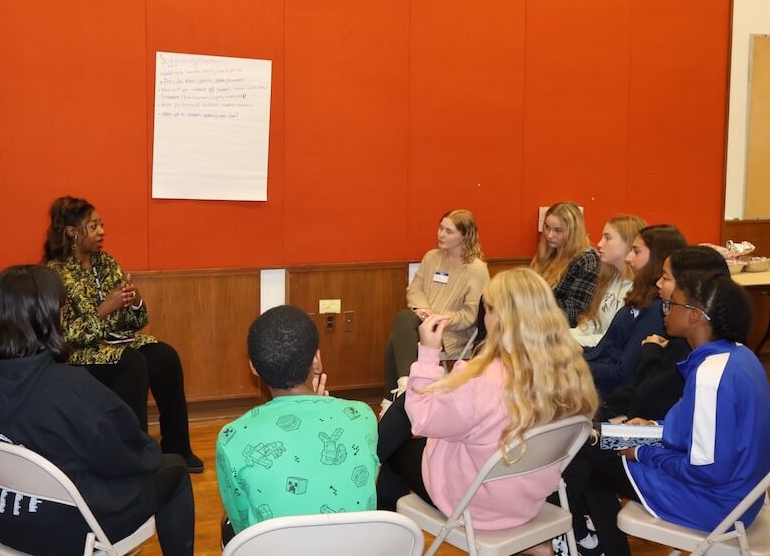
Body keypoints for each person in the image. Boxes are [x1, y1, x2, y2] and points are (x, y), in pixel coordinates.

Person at [0, 265, 194, 556]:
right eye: (60, 309)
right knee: (174, 468)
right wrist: (149, 451)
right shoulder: (67, 387)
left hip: (1, 517)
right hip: (69, 529)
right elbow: (127, 456)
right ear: (47, 318)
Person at [376, 268, 598, 538]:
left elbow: (421, 417)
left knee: (393, 443)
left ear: (499, 317)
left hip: (475, 504)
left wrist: (428, 354)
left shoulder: (484, 379)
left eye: (488, 310)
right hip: (527, 501)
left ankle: (381, 533)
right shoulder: (570, 370)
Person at [567, 273, 769, 556]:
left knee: (582, 450)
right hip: (743, 496)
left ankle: (577, 541)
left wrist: (642, 452)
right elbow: (710, 434)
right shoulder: (741, 356)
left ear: (695, 315)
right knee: (595, 446)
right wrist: (656, 428)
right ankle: (596, 546)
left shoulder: (711, 376)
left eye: (672, 304)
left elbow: (707, 470)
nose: (665, 310)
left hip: (714, 504)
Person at [42, 196, 202, 472]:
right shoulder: (54, 273)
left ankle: (178, 449)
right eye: (94, 226)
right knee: (133, 364)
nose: (102, 231)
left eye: (101, 225)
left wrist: (135, 301)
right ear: (72, 232)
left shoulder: (106, 263)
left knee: (164, 356)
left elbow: (136, 320)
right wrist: (104, 310)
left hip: (118, 343)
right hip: (79, 355)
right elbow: (64, 334)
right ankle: (135, 453)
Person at [216, 306, 379, 546]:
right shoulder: (363, 416)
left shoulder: (232, 437)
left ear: (253, 367)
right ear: (316, 360)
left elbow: (241, 525)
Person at [599, 245, 729, 421]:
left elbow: (644, 402)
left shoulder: (691, 349)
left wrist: (650, 352)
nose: (658, 283)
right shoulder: (682, 338)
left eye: (666, 278)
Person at [384, 210, 489, 399]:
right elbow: (414, 290)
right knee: (404, 318)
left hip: (450, 333)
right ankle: (404, 386)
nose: (441, 234)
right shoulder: (432, 257)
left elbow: (471, 315)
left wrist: (437, 319)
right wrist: (425, 312)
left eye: (449, 231)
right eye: (440, 228)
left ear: (464, 235)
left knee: (396, 339)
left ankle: (395, 396)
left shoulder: (477, 269)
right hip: (423, 322)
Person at [584, 224, 687, 395]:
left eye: (636, 251)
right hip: (595, 373)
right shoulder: (640, 295)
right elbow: (607, 349)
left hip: (606, 391)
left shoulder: (656, 308)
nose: (628, 257)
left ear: (656, 257)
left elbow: (623, 372)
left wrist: (574, 368)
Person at [570, 215, 646, 347]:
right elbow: (593, 324)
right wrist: (561, 335)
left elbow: (611, 340)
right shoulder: (610, 279)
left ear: (629, 243)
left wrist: (564, 341)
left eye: (608, 238)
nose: (599, 244)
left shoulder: (636, 289)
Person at [530, 201, 601, 327]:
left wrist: (533, 303)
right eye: (547, 227)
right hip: (538, 324)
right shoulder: (548, 252)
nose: (549, 235)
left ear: (574, 232)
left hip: (562, 331)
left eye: (558, 230)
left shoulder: (587, 260)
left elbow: (575, 311)